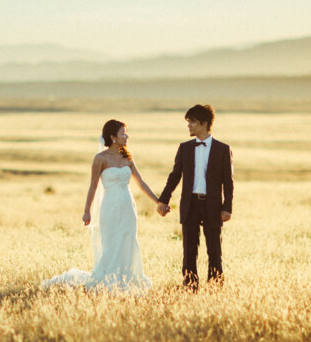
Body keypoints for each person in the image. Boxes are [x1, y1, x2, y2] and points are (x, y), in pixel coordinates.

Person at [41, 120, 170, 292]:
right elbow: (93, 186)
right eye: (123, 133)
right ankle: (108, 277)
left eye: (126, 132)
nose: (127, 136)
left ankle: (127, 277)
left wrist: (159, 202)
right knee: (111, 241)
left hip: (127, 206)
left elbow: (141, 183)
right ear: (112, 137)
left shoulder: (128, 158)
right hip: (109, 207)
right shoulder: (100, 159)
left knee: (128, 240)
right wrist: (87, 211)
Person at [157, 104, 234, 290]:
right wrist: (163, 200)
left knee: (214, 249)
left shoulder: (223, 149)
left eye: (192, 121)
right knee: (189, 250)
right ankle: (189, 286)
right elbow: (175, 176)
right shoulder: (185, 148)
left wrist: (227, 207)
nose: (188, 125)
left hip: (213, 206)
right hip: (190, 204)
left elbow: (228, 182)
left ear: (204, 123)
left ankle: (215, 286)